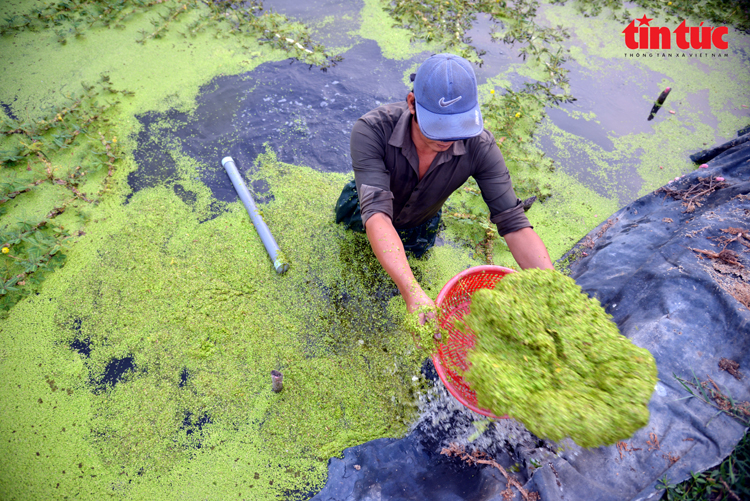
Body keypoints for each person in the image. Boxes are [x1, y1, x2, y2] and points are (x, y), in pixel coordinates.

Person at [335, 53, 553, 317]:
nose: (448, 138)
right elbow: (378, 216)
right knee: (345, 273)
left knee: (409, 283)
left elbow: (514, 223)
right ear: (412, 103)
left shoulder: (480, 146)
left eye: (458, 126)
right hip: (362, 214)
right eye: (438, 126)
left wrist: (552, 292)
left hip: (421, 223)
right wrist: (412, 292)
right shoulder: (372, 130)